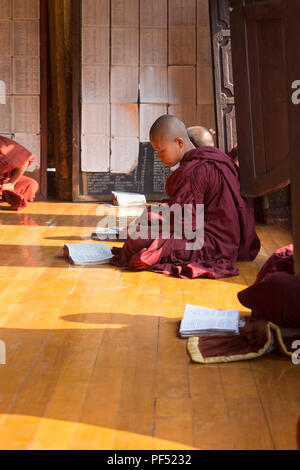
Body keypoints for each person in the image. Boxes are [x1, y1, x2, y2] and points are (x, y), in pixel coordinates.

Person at [111, 115, 260, 279]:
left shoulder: (192, 172)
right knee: (152, 213)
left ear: (179, 143)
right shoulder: (214, 156)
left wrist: (154, 228)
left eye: (161, 151)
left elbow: (188, 227)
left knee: (136, 242)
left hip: (211, 243)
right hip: (228, 238)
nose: (159, 158)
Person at [0, 135, 39, 211]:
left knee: (31, 184)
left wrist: (11, 183)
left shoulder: (3, 144)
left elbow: (25, 161)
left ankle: (11, 198)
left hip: (6, 181)